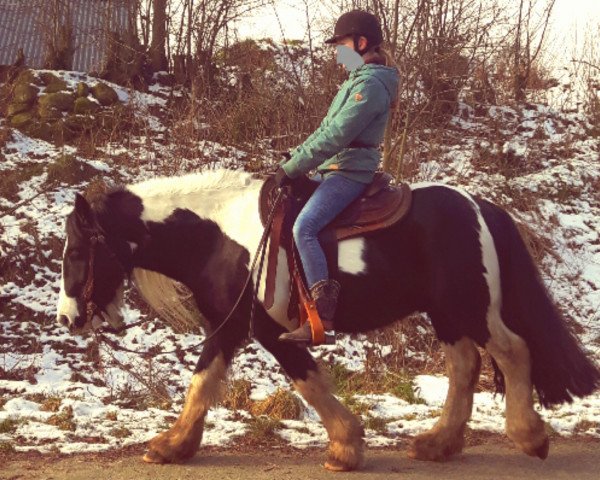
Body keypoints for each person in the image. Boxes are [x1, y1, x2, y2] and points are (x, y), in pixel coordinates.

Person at [275, 10, 399, 345]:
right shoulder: (354, 83)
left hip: (349, 173)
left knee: (306, 227)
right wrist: (294, 160)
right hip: (332, 169)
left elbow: (337, 136)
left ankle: (322, 319)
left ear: (361, 44)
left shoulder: (371, 86)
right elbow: (324, 131)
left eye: (342, 45)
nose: (338, 53)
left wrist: (293, 168)